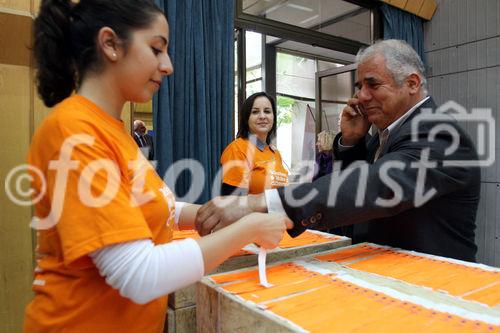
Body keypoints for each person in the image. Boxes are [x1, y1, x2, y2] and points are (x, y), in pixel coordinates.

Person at [25, 1, 291, 332]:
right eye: (156, 49)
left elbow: (151, 204)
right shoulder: (74, 132)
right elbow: (139, 274)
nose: (168, 66)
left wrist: (210, 212)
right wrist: (249, 228)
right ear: (110, 44)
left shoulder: (112, 130)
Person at [196, 39, 480, 262]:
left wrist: (259, 202)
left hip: (434, 283)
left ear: (412, 83)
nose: (361, 97)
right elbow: (359, 191)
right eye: (360, 86)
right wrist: (352, 143)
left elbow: (374, 186)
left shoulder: (440, 134)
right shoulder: (386, 136)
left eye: (373, 84)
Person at [220, 92, 288, 196]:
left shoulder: (275, 153)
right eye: (255, 112)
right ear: (246, 118)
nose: (262, 116)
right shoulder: (237, 149)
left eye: (267, 111)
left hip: (278, 212)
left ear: (273, 117)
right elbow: (231, 203)